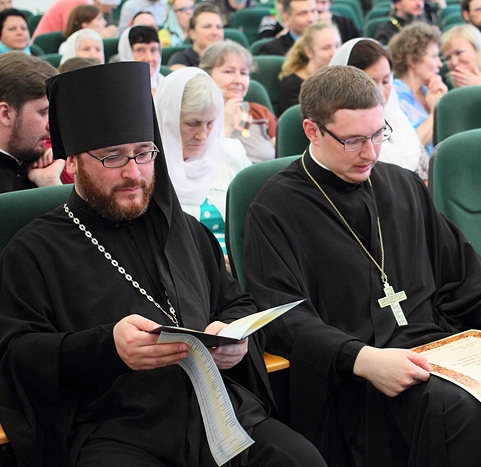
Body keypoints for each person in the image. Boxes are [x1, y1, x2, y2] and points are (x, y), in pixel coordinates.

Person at [243, 65, 481, 466]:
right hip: (358, 377)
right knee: (459, 409)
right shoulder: (275, 209)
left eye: (378, 134)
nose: (371, 153)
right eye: (353, 140)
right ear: (312, 131)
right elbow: (283, 318)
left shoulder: (402, 185)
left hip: (443, 350)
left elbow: (462, 270)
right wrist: (362, 359)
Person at [0, 61, 327, 467]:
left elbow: (235, 303)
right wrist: (108, 348)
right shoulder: (33, 252)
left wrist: (233, 339)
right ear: (73, 164)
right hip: (118, 429)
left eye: (143, 153)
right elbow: (17, 355)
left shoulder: (184, 230)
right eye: (113, 158)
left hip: (217, 411)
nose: (133, 173)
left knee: (301, 459)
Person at [155, 68, 249, 258]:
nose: (203, 135)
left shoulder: (232, 154)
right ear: (167, 120)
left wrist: (240, 259)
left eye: (210, 123)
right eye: (192, 124)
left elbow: (255, 223)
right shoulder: (146, 168)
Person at [330, 37, 428, 180]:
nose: (380, 92)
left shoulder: (397, 118)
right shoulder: (340, 133)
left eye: (386, 81)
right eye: (370, 83)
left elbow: (426, 177)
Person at [201, 40, 278, 164]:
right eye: (228, 71)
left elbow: (284, 155)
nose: (239, 80)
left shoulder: (260, 113)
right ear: (207, 75)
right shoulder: (198, 117)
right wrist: (226, 128)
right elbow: (204, 165)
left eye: (243, 73)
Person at [0, 52, 64, 193]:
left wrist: (51, 184)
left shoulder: (42, 166)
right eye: (43, 112)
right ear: (5, 114)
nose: (51, 125)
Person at [388, 22, 447, 155]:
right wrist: (435, 111)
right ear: (412, 60)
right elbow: (410, 147)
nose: (440, 64)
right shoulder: (393, 96)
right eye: (434, 56)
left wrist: (445, 103)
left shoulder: (430, 92)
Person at [278, 22, 340, 114]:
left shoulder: (343, 78)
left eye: (337, 46)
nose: (334, 53)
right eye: (326, 48)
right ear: (309, 52)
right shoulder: (291, 84)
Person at [440, 24, 481, 88]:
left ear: (477, 49)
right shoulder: (445, 85)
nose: (454, 62)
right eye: (448, 58)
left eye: (459, 53)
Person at [168, 3, 223, 70]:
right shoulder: (180, 60)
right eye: (207, 27)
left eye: (219, 27)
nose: (215, 32)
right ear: (192, 33)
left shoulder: (229, 58)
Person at [32, 0, 120, 39]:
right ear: (99, 3)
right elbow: (73, 35)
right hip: (47, 45)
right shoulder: (78, 5)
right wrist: (99, 37)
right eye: (110, 7)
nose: (109, 11)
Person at [118, 25, 164, 94]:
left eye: (153, 50)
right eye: (140, 50)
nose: (149, 58)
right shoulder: (117, 90)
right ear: (127, 53)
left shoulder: (167, 85)